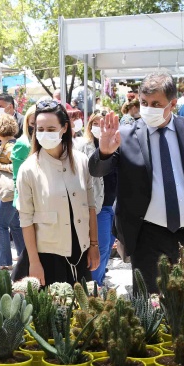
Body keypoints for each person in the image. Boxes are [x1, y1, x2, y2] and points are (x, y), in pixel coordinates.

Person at [89, 72, 184, 293]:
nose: (148, 108)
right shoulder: (126, 135)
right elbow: (97, 170)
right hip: (146, 236)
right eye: (144, 103)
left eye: (156, 103)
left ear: (173, 103)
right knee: (149, 307)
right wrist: (104, 152)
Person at [16, 101, 99, 286]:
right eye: (40, 128)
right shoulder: (28, 169)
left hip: (81, 252)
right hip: (48, 256)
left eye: (51, 128)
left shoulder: (81, 161)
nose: (45, 133)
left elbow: (91, 207)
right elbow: (26, 220)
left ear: (64, 128)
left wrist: (94, 245)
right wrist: (34, 262)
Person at [77, 113, 113, 285]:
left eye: (102, 123)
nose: (98, 127)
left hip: (114, 204)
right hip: (98, 205)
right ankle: (95, 286)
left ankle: (99, 280)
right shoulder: (84, 147)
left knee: (109, 245)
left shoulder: (116, 145)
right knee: (102, 245)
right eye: (95, 124)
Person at [0, 114, 25, 269]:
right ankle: (23, 255)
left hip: (10, 194)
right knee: (14, 224)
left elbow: (19, 167)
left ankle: (4, 262)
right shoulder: (7, 144)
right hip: (13, 193)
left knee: (1, 224)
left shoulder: (10, 147)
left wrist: (0, 167)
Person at [11, 105, 36, 209]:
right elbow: (17, 176)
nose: (37, 127)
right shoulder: (23, 144)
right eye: (33, 123)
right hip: (28, 199)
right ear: (27, 123)